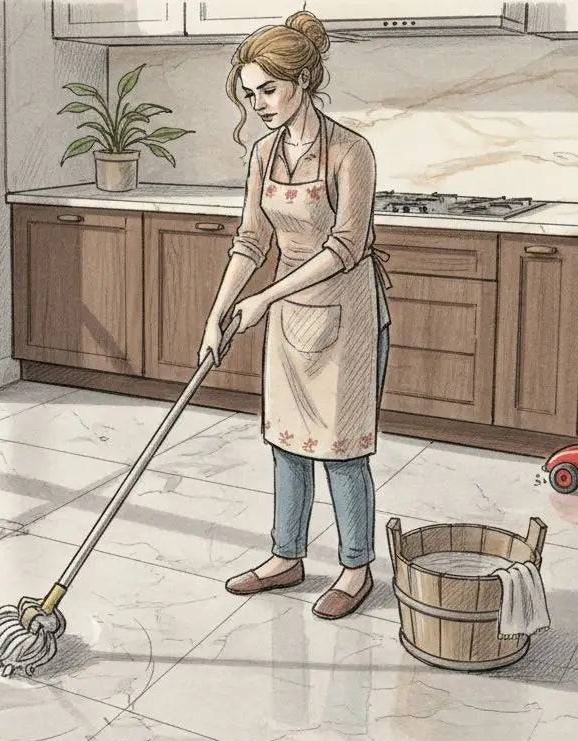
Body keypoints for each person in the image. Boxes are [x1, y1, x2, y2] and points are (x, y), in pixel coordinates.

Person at [201, 10, 392, 621]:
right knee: (286, 442)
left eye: (269, 89)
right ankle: (286, 557)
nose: (259, 104)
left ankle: (356, 566)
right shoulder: (262, 153)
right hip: (288, 318)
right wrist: (220, 310)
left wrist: (265, 298)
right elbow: (251, 240)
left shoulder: (350, 152)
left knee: (341, 447)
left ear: (304, 80)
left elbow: (346, 248)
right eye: (249, 93)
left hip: (347, 315)